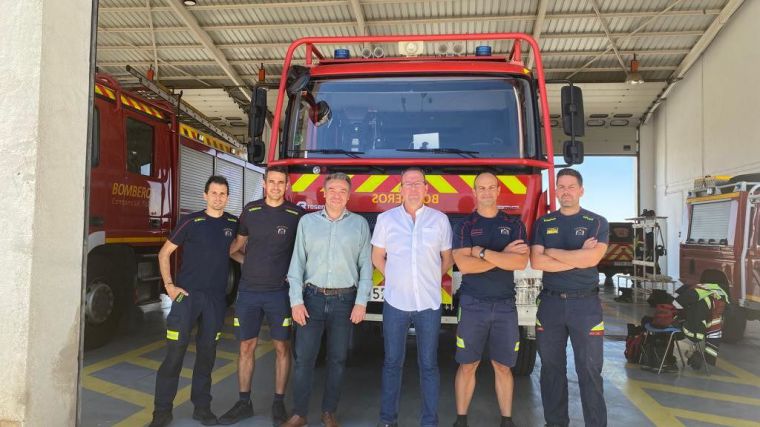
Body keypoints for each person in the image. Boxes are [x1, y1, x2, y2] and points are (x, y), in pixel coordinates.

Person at [282, 172, 373, 427]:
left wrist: (361, 302)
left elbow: (366, 266)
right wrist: (296, 301)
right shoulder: (307, 223)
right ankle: (299, 413)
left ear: (349, 194)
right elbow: (297, 264)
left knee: (337, 359)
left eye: (342, 191)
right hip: (310, 300)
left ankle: (328, 412)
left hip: (345, 301)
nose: (336, 195)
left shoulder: (359, 225)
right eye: (332, 189)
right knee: (304, 359)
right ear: (324, 192)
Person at [219, 166, 304, 425]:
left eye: (281, 183)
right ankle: (244, 402)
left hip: (279, 293)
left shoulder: (295, 214)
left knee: (282, 347)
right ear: (264, 183)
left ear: (287, 186)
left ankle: (278, 402)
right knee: (246, 346)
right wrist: (248, 262)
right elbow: (235, 247)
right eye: (272, 182)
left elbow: (303, 251)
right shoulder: (251, 210)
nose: (276, 187)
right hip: (248, 292)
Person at [150, 176, 238, 427]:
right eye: (214, 193)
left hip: (215, 301)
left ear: (227, 197)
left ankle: (202, 408)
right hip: (187, 298)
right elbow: (164, 253)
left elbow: (231, 251)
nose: (218, 198)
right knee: (174, 355)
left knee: (207, 355)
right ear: (205, 195)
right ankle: (162, 412)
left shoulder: (232, 223)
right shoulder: (190, 221)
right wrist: (170, 286)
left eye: (223, 194)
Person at [372, 167, 454, 427]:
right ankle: (387, 420)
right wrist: (394, 276)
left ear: (427, 189)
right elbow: (377, 257)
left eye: (418, 184)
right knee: (392, 363)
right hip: (395, 303)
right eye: (408, 184)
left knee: (428, 365)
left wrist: (429, 277)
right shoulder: (386, 220)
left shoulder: (439, 220)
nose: (414, 188)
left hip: (429, 304)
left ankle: (429, 421)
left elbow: (447, 259)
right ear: (400, 188)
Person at [530, 168, 609, 427]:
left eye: (571, 186)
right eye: (561, 187)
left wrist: (553, 252)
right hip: (550, 304)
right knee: (551, 370)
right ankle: (555, 423)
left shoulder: (596, 222)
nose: (565, 191)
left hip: (585, 306)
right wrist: (577, 259)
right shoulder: (543, 223)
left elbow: (593, 258)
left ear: (581, 190)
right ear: (556, 190)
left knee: (589, 370)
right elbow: (537, 260)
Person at [451, 172, 529, 427]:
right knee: (467, 364)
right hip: (473, 304)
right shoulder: (464, 225)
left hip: (505, 306)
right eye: (480, 188)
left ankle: (507, 420)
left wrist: (481, 252)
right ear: (474, 192)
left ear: (498, 191)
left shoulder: (514, 224)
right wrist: (501, 256)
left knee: (503, 366)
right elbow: (464, 266)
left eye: (490, 188)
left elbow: (519, 261)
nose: (485, 192)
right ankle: (461, 419)